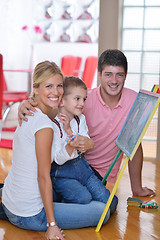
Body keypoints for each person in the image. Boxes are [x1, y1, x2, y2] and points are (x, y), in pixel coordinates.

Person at [17, 49, 155, 197]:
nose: (114, 81)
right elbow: (52, 106)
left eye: (119, 75)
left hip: (98, 175)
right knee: (47, 194)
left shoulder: (135, 101)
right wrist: (29, 103)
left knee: (103, 204)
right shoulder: (83, 99)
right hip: (70, 165)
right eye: (108, 74)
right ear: (99, 74)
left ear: (125, 76)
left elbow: (134, 145)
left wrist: (137, 188)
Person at [0, 61, 111, 240]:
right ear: (36, 88)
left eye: (59, 86)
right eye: (49, 86)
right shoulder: (44, 126)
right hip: (30, 214)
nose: (56, 91)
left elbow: (56, 113)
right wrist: (52, 225)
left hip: (10, 202)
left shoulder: (31, 112)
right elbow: (43, 176)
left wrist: (25, 103)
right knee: (102, 212)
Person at [50, 76, 118, 214]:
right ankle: (57, 198)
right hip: (62, 173)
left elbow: (84, 143)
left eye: (84, 99)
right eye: (77, 99)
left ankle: (85, 201)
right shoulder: (53, 124)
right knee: (83, 199)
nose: (82, 103)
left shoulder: (81, 119)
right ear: (62, 101)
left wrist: (78, 138)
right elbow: (58, 159)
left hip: (82, 169)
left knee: (111, 203)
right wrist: (70, 140)